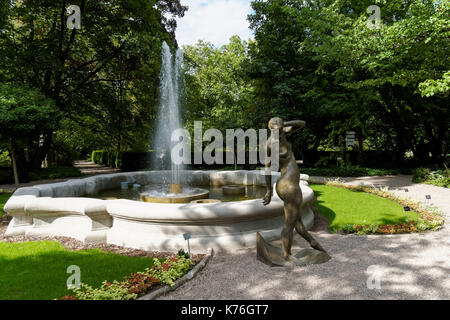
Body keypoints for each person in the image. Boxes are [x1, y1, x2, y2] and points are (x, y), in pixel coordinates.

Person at [263, 117, 326, 260]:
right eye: (276, 127)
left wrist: (284, 124)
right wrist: (267, 190)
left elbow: (302, 123)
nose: (279, 129)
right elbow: (267, 169)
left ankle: (314, 243)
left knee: (297, 221)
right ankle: (286, 255)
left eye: (281, 126)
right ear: (271, 128)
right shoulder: (271, 144)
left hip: (284, 184)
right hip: (289, 185)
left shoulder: (282, 134)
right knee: (290, 224)